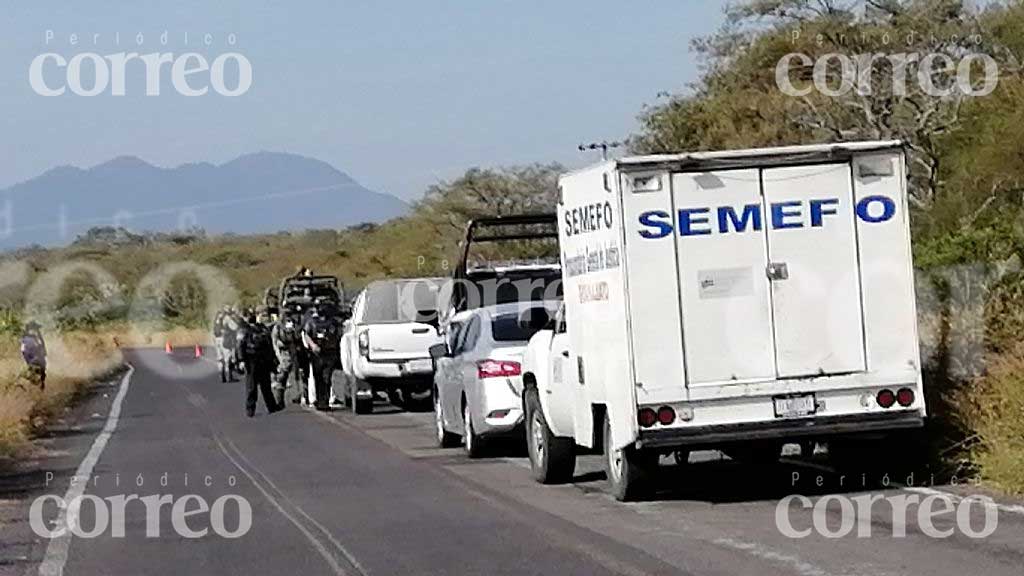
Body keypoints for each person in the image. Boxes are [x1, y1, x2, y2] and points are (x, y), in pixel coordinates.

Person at [238, 308, 281, 417]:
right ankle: (250, 409)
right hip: (251, 361)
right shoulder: (245, 330)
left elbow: (269, 346)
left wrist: (273, 360)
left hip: (264, 361)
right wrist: (242, 360)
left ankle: (272, 407)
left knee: (266, 386)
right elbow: (241, 346)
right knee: (251, 387)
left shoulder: (264, 329)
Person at [302, 298, 341, 411]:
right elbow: (306, 334)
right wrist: (313, 345)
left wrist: (333, 345)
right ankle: (319, 401)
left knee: (327, 377)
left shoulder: (333, 322)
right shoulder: (312, 321)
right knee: (318, 377)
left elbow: (338, 335)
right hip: (316, 353)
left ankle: (325, 401)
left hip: (329, 353)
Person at [271, 308, 302, 408]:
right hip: (287, 353)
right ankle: (281, 399)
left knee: (290, 376)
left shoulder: (280, 326)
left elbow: (275, 341)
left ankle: (291, 397)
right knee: (285, 377)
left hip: (289, 353)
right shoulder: (281, 326)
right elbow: (275, 342)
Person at [20, 321, 47, 391]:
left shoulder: (25, 338)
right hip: (35, 360)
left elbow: (23, 351)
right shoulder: (33, 339)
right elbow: (41, 349)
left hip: (32, 360)